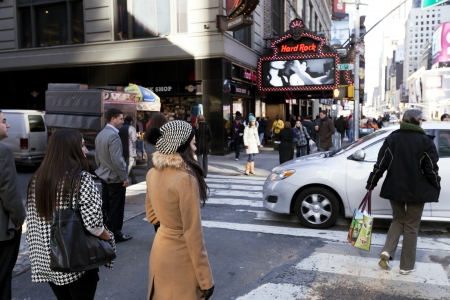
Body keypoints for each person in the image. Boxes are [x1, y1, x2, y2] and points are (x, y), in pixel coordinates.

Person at [26, 130, 114, 300]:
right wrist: (108, 236)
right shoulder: (81, 179)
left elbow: (33, 222)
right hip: (76, 258)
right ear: (70, 149)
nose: (86, 150)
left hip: (49, 259)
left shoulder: (37, 179)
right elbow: (94, 225)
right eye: (82, 145)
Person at [365, 109, 440, 275]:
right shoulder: (425, 141)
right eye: (422, 119)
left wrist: (371, 183)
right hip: (417, 190)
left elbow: (381, 164)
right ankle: (406, 266)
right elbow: (431, 170)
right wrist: (436, 185)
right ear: (418, 121)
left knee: (398, 219)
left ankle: (387, 251)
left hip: (395, 188)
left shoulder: (392, 138)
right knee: (412, 226)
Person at [145, 121, 214, 300]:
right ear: (182, 145)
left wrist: (168, 221)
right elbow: (193, 233)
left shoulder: (152, 173)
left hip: (159, 251)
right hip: (181, 258)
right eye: (192, 142)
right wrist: (205, 279)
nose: (195, 145)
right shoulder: (185, 179)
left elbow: (151, 216)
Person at [95, 108, 132, 243]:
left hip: (104, 174)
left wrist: (101, 169)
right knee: (117, 206)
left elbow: (97, 156)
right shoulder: (113, 136)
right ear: (113, 119)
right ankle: (116, 233)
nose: (123, 121)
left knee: (106, 206)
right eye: (121, 119)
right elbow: (117, 159)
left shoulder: (101, 134)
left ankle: (106, 231)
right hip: (115, 177)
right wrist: (124, 177)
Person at [0, 110, 26, 300]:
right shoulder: (3, 151)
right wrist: (19, 220)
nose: (8, 125)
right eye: (4, 121)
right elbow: (9, 191)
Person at [119, 116, 138, 185]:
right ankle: (124, 180)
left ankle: (133, 180)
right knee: (129, 166)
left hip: (122, 151)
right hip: (131, 151)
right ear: (130, 121)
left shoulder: (120, 128)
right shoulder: (131, 128)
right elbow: (134, 140)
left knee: (127, 166)